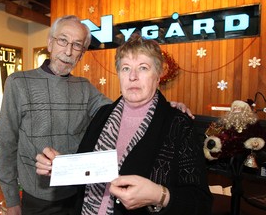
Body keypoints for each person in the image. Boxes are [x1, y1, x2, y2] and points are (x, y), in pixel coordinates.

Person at [0, 15, 193, 215]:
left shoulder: (85, 88)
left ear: (81, 54)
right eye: (62, 40)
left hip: (78, 196)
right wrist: (11, 200)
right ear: (49, 43)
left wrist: (165, 107)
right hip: (38, 199)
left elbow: (126, 107)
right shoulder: (18, 83)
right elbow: (6, 144)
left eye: (77, 45)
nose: (68, 51)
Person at [36, 34, 212, 215]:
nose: (133, 77)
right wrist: (60, 168)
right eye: (126, 68)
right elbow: (86, 171)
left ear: (158, 76)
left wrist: (159, 195)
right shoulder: (103, 115)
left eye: (143, 68)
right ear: (119, 74)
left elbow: (201, 202)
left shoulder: (178, 124)